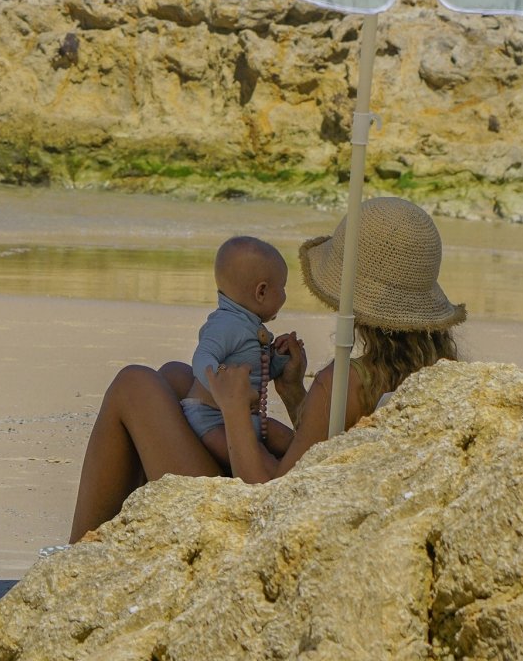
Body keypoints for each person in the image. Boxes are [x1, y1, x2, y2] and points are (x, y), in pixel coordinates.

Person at [67, 197, 465, 544]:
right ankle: (112, 545)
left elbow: (270, 499)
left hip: (256, 528)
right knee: (174, 376)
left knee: (134, 384)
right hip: (313, 506)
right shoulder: (425, 374)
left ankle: (75, 558)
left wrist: (236, 412)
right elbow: (325, 455)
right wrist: (292, 392)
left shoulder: (342, 383)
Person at [180, 236, 292, 468]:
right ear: (261, 292)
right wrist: (223, 380)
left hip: (247, 418)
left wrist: (278, 360)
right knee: (263, 464)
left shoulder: (248, 324)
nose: (285, 295)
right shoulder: (226, 325)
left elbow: (257, 374)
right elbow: (202, 358)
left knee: (290, 441)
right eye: (283, 288)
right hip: (213, 420)